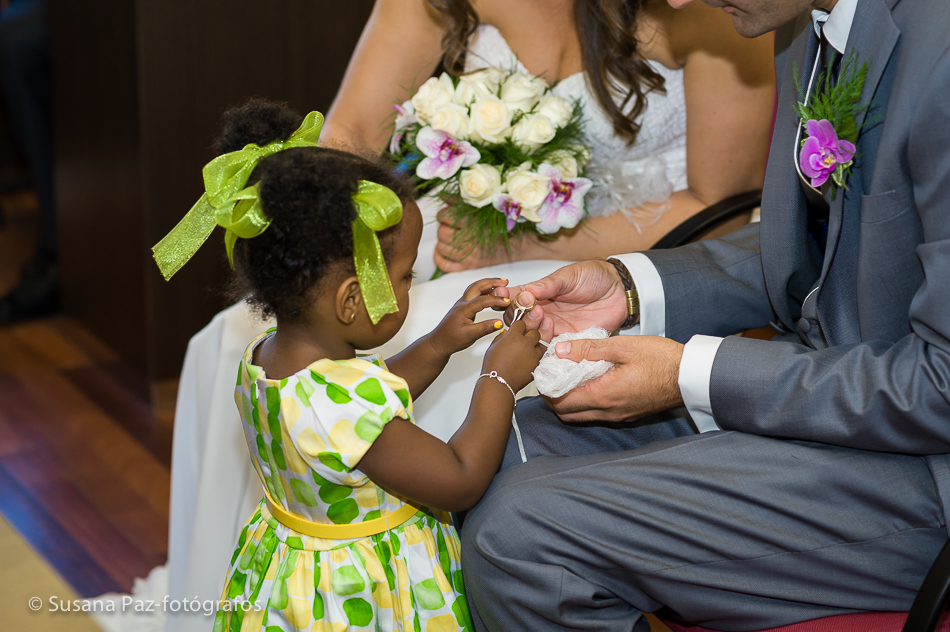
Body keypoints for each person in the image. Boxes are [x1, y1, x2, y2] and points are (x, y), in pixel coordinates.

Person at [458, 0, 950, 629]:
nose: (676, 3)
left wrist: (689, 373)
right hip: (832, 385)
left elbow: (941, 383)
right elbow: (830, 246)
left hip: (927, 471)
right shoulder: (805, 23)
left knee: (519, 537)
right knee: (502, 446)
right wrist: (629, 287)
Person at [153, 99, 543, 632]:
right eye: (405, 277)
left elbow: (364, 397)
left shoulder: (265, 358)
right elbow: (460, 479)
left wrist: (439, 343)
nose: (409, 286)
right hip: (368, 592)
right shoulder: (341, 404)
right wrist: (499, 378)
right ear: (352, 300)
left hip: (296, 578)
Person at [323, 0, 775, 278]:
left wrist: (520, 248)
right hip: (460, 239)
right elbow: (353, 133)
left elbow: (720, 212)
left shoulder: (711, 8)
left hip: (650, 261)